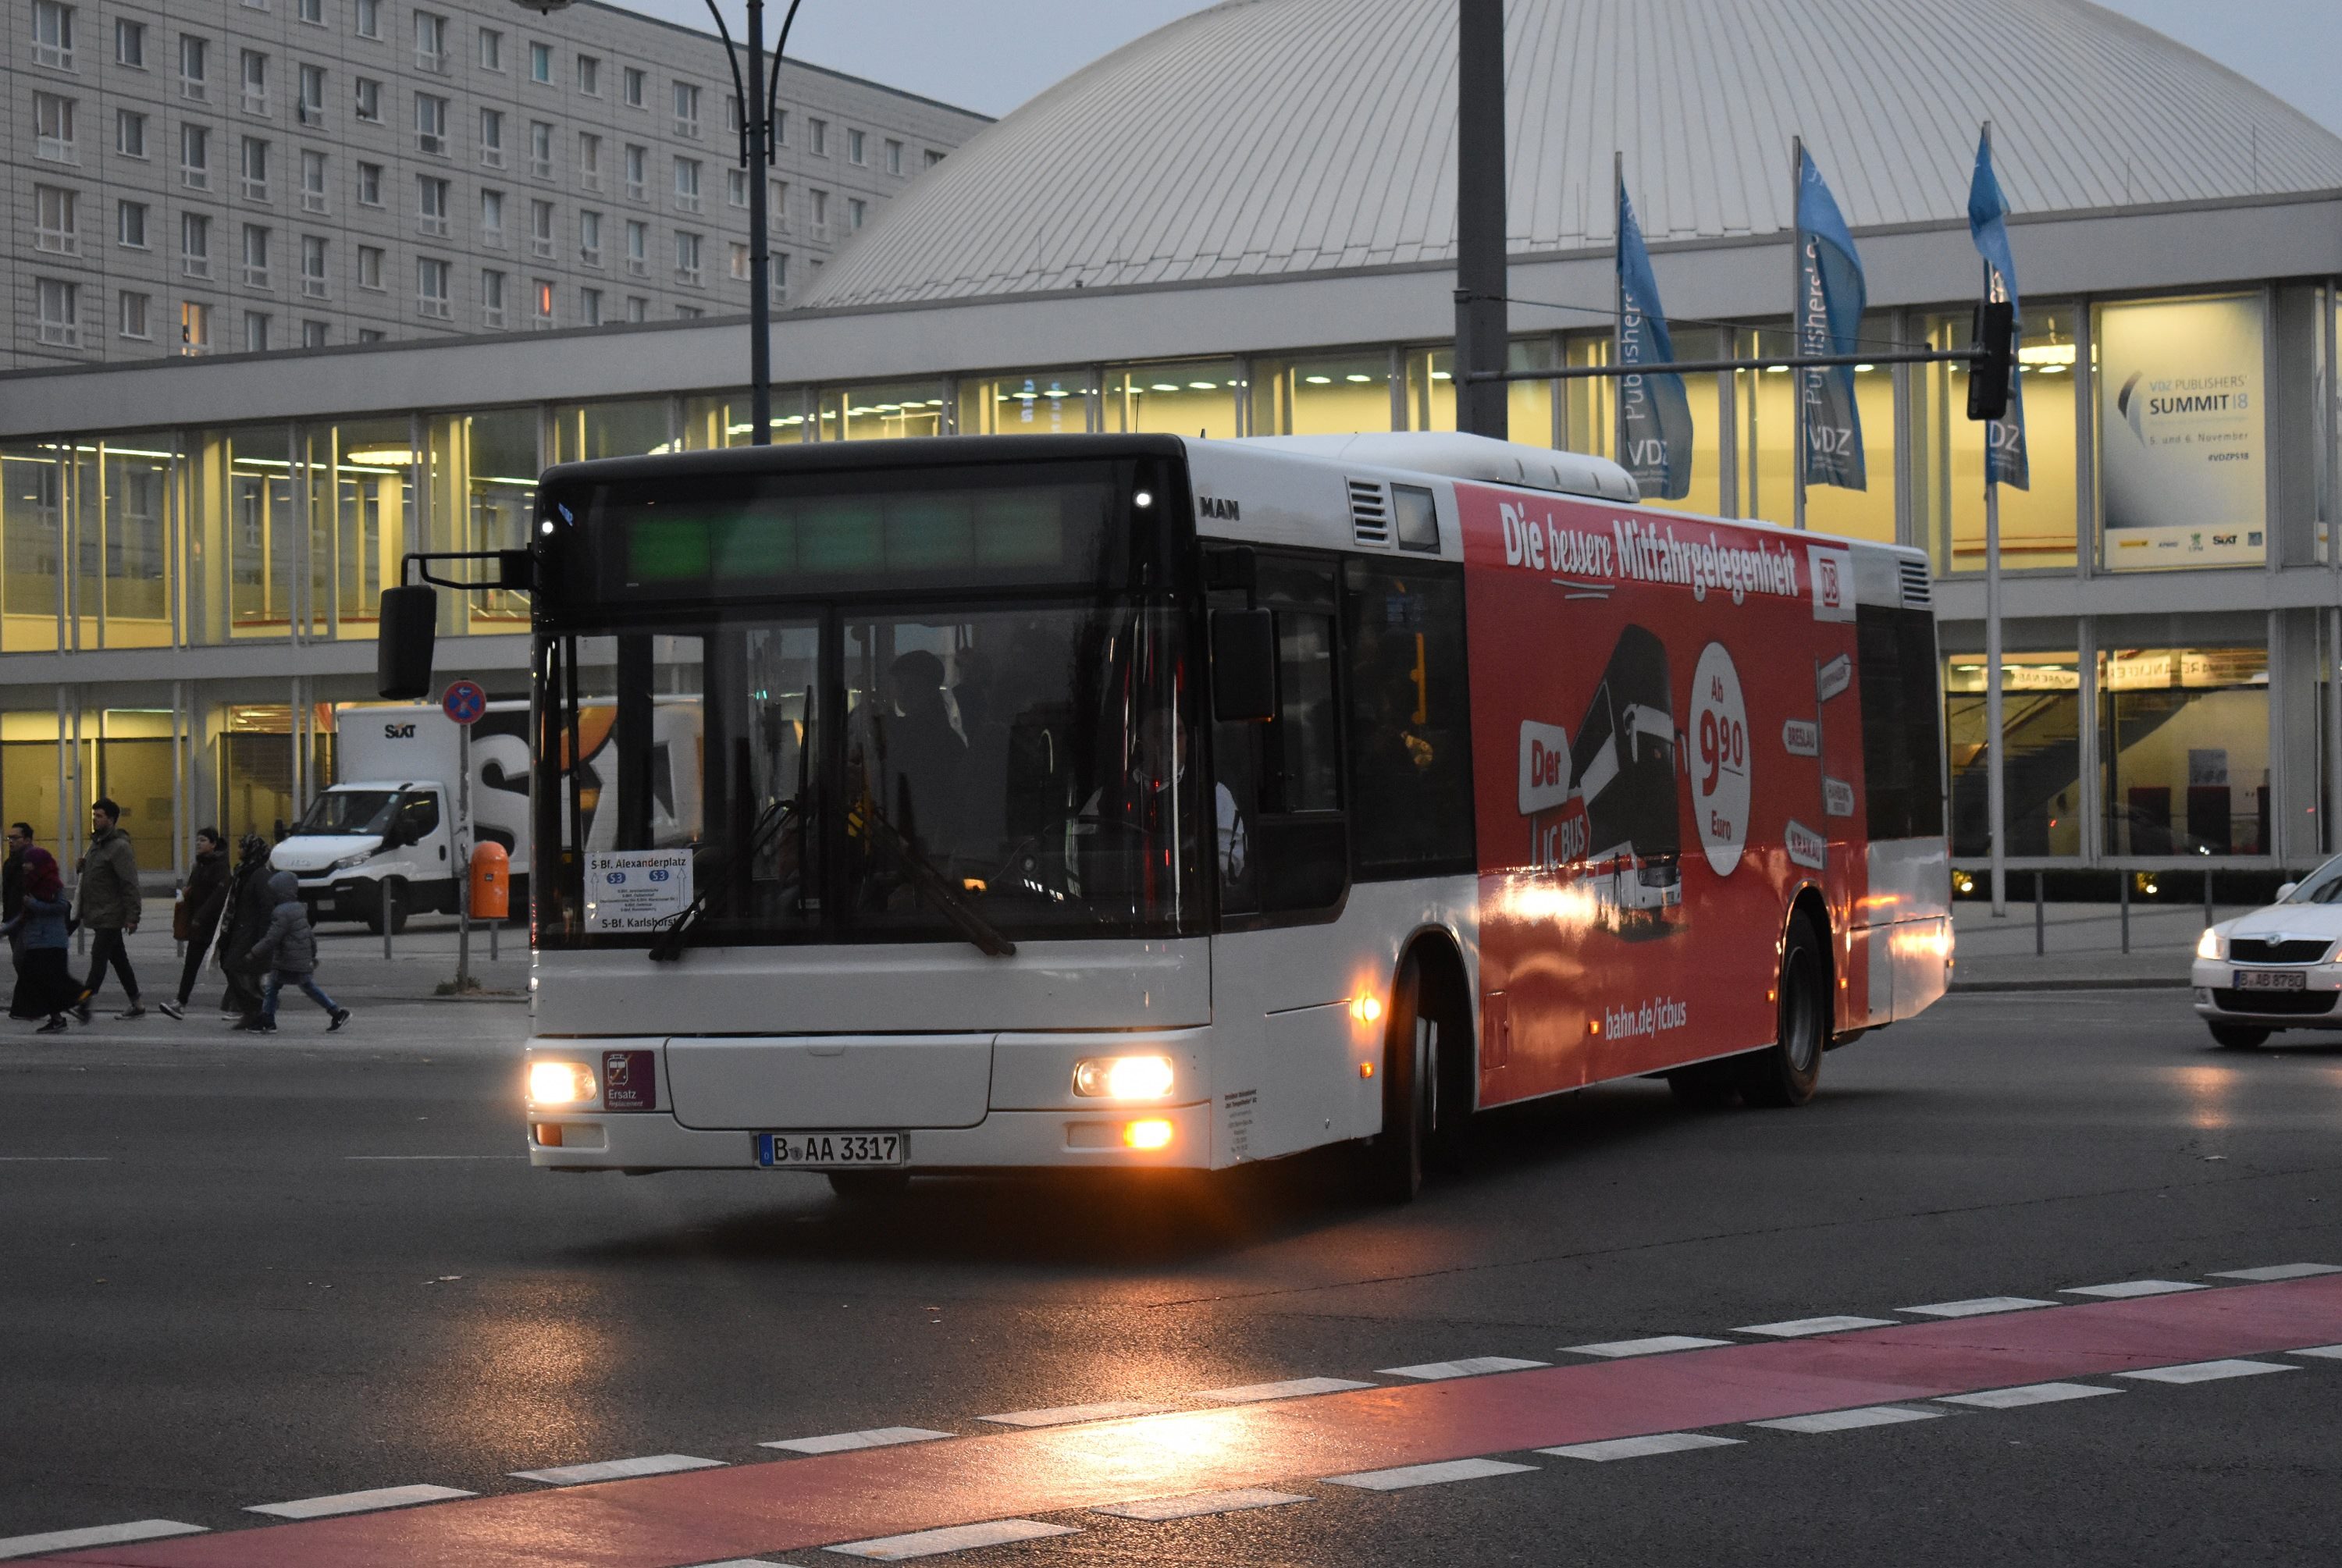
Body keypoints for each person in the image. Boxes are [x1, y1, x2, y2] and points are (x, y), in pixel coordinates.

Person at [241, 869, 350, 1034]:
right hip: (297, 957)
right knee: (294, 986)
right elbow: (308, 933)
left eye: (274, 891)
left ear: (281, 892)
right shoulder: (298, 909)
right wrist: (312, 953)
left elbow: (272, 938)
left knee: (282, 987)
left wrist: (254, 953)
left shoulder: (282, 912)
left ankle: (269, 1020)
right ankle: (269, 1019)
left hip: (288, 959)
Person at [72, 798, 144, 1022]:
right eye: (94, 816)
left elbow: (129, 883)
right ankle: (137, 1003)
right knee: (119, 960)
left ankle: (84, 1000)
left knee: (98, 957)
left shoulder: (119, 847)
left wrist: (133, 916)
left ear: (111, 820)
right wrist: (82, 867)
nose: (95, 819)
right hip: (99, 912)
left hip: (111, 914)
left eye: (100, 816)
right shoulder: (97, 844)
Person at [2, 847, 79, 1033]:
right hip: (37, 941)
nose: (25, 865)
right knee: (43, 983)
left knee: (46, 982)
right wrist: (4, 930)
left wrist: (33, 904)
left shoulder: (52, 884)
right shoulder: (31, 884)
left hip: (51, 941)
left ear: (38, 864)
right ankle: (59, 1016)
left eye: (28, 862)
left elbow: (62, 906)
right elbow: (23, 916)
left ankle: (78, 1001)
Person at [158, 828, 230, 1022]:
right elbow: (193, 889)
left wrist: (201, 915)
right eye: (197, 840)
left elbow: (218, 896)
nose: (199, 843)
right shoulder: (200, 864)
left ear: (213, 844)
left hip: (214, 924)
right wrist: (184, 901)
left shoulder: (220, 866)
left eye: (203, 840)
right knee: (191, 963)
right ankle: (180, 1003)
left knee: (228, 964)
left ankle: (245, 1003)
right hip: (199, 922)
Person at [213, 834, 276, 1023]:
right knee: (233, 967)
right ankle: (252, 1011)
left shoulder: (260, 875)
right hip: (238, 929)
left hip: (250, 932)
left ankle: (256, 1010)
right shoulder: (243, 871)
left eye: (242, 847)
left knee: (236, 967)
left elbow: (266, 908)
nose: (238, 850)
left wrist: (262, 938)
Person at [5, 822, 34, 1021]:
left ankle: (25, 1006)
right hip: (13, 918)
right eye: (10, 838)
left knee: (21, 961)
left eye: (15, 838)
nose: (11, 842)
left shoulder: (32, 860)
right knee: (23, 963)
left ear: (28, 840)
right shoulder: (11, 861)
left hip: (27, 919)